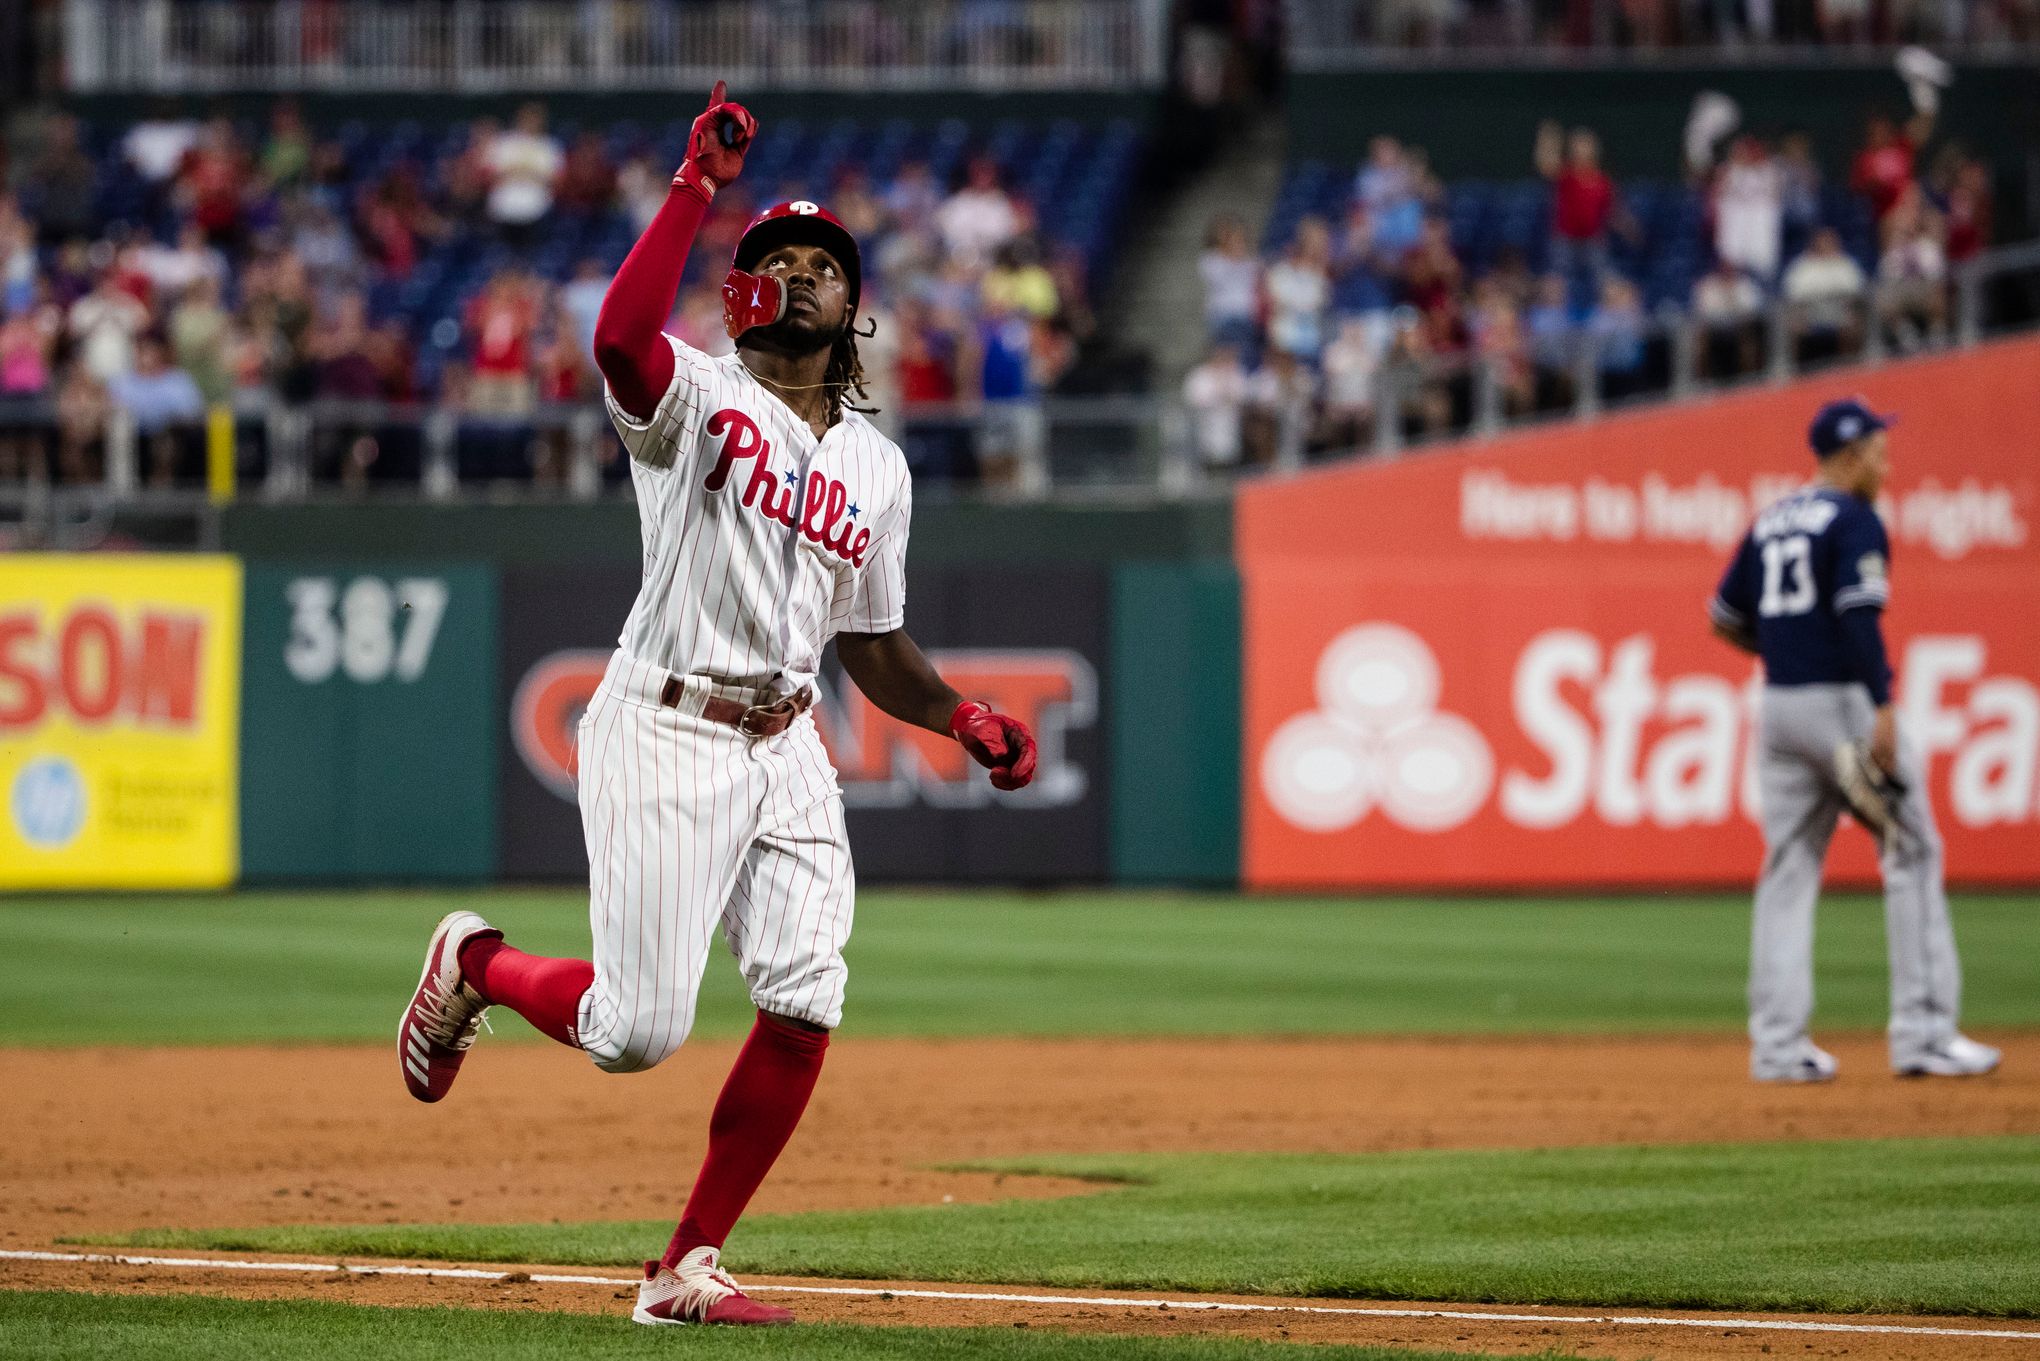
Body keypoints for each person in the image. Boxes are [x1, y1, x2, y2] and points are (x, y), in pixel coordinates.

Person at [395, 83, 1039, 1329]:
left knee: (806, 993)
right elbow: (617, 340)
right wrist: (696, 188)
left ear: (854, 303)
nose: (800, 274)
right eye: (776, 262)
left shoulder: (877, 465)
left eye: (823, 264)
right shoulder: (692, 396)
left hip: (788, 736)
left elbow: (874, 642)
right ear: (744, 292)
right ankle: (471, 959)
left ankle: (685, 1263)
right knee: (635, 1030)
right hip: (667, 718)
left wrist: (960, 714)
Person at [1707, 398, 1999, 1084]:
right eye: (1875, 448)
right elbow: (1858, 613)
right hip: (1840, 703)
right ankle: (1924, 1033)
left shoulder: (1771, 517)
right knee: (1912, 849)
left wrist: (1784, 646)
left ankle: (1778, 1047)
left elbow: (1724, 618)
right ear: (1846, 455)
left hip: (1778, 707)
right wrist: (1883, 702)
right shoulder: (1854, 517)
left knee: (1787, 867)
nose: (1885, 461)